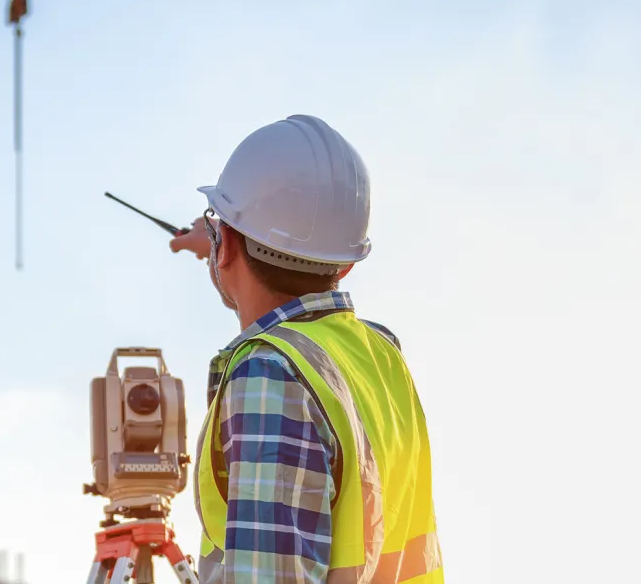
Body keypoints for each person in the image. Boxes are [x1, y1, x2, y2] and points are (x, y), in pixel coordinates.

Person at [168, 115, 442, 584]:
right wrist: (221, 240)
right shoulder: (380, 354)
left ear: (227, 245)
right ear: (346, 264)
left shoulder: (270, 374)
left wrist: (222, 243)